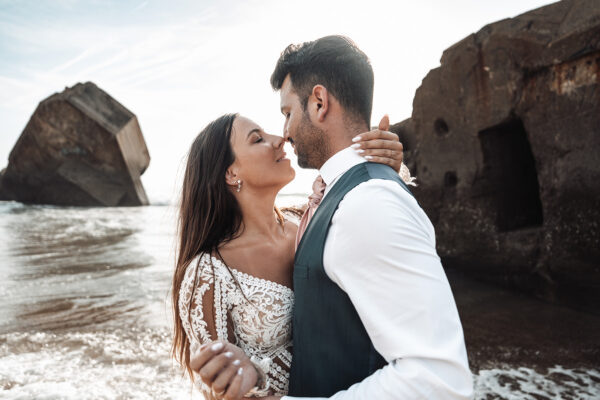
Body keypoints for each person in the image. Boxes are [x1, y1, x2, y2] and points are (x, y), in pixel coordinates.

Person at [190, 35, 474, 400]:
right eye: (261, 136)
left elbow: (439, 381)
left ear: (319, 102)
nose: (285, 135)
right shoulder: (325, 204)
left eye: (287, 113)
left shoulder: (368, 203)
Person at [171, 109, 407, 399]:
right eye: (257, 139)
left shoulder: (312, 219)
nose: (280, 138)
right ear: (231, 174)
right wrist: (251, 378)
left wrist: (387, 166)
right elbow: (218, 392)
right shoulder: (208, 272)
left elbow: (385, 247)